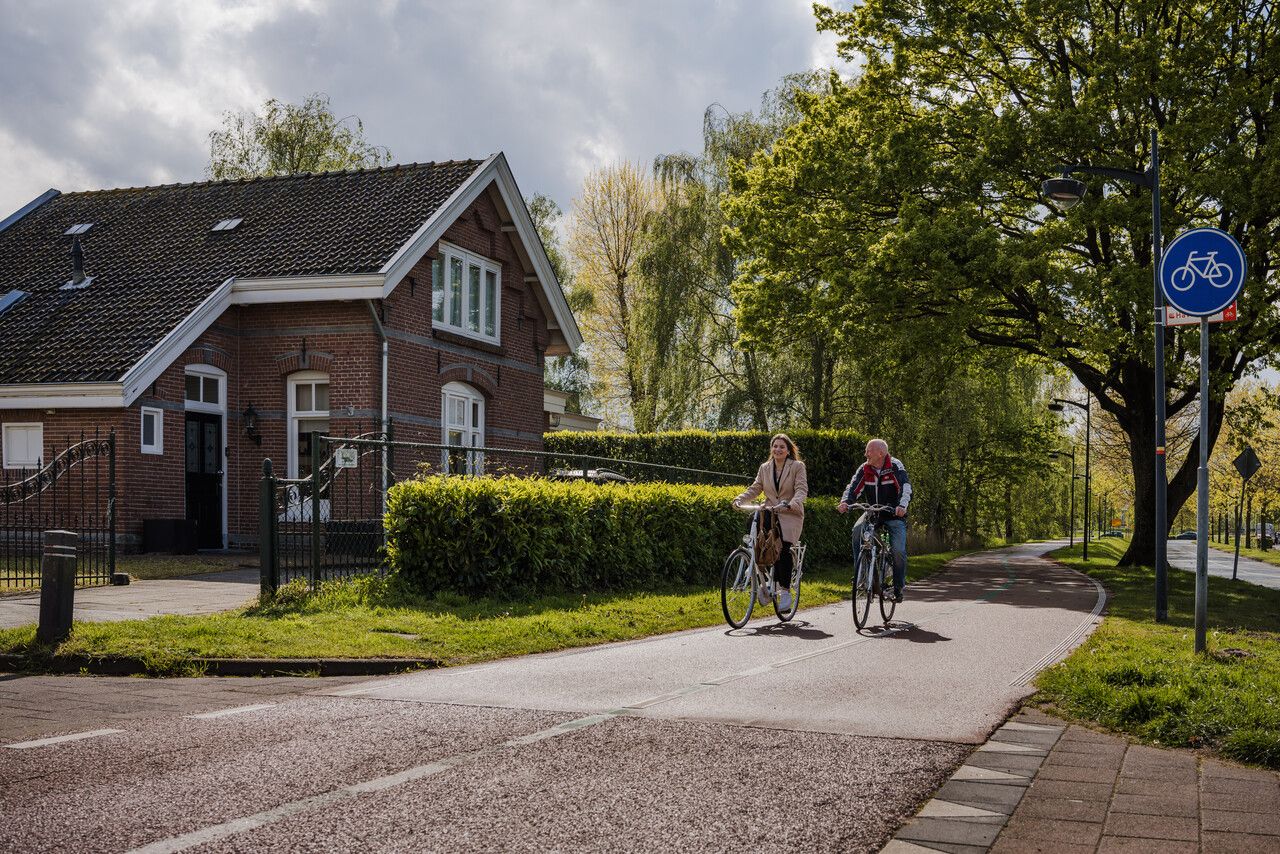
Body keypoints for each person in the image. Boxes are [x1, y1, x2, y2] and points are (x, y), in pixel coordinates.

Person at [733, 434, 809, 610]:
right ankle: (765, 581)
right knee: (756, 537)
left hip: (789, 513)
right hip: (769, 511)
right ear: (771, 448)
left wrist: (792, 504)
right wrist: (740, 499)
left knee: (783, 548)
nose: (778, 449)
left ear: (788, 450)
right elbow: (755, 488)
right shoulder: (765, 468)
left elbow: (801, 489)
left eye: (782, 447)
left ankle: (784, 591)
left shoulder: (797, 467)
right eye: (775, 446)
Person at [838, 438, 911, 602]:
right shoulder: (865, 468)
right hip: (873, 512)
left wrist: (901, 506)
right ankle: (862, 574)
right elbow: (853, 487)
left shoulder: (894, 466)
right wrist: (845, 502)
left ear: (881, 453)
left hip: (893, 513)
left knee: (898, 550)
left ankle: (898, 587)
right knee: (857, 530)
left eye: (869, 451)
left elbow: (905, 487)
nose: (866, 454)